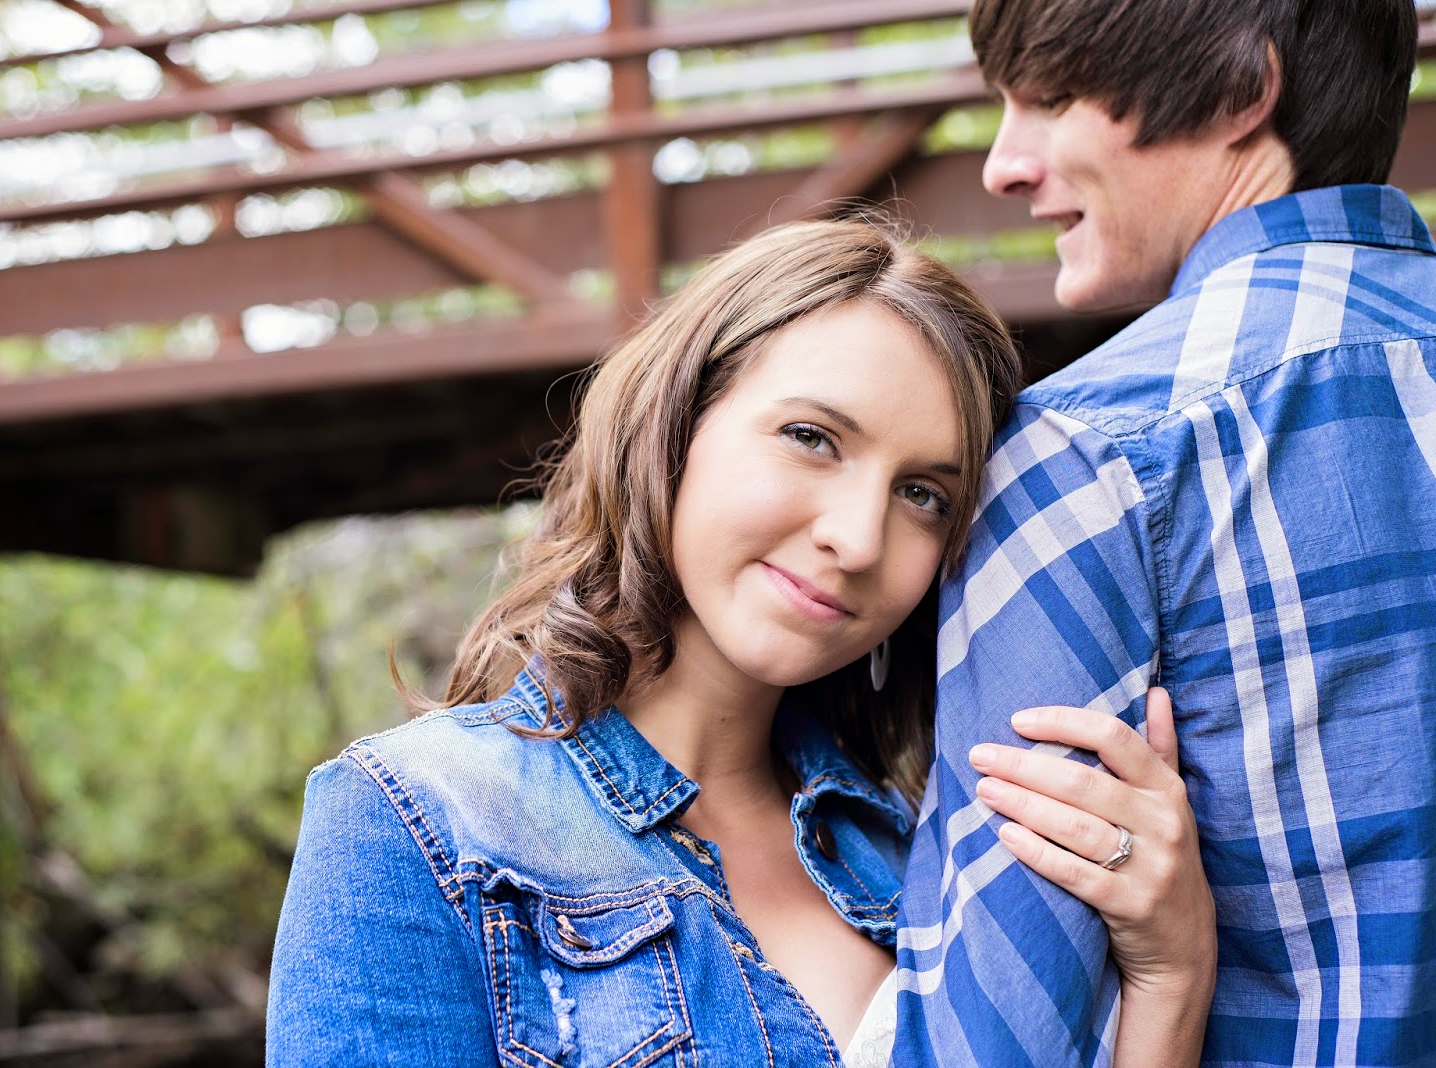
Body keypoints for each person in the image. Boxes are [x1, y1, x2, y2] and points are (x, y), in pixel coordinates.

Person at [264, 218, 1217, 1066]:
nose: (858, 537)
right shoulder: (416, 822)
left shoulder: (924, 847)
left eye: (923, 494)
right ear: (673, 425)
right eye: (812, 437)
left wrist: (1170, 978)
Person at [891, 1, 1436, 1064]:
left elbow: (1000, 1038)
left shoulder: (1090, 452)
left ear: (1240, 91)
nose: (1004, 164)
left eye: (1047, 99)